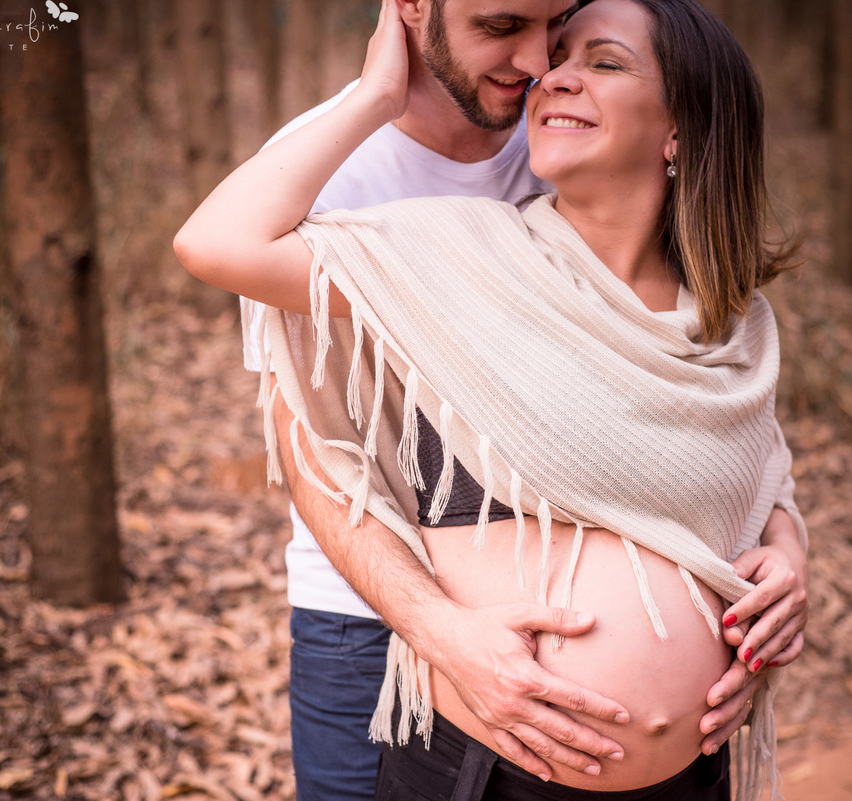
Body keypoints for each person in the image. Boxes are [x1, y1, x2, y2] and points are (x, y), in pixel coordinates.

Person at [191, 0, 809, 798]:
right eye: (504, 30)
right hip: (400, 655)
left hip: (688, 766)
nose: (542, 72)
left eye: (574, 47)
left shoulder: (729, 319)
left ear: (680, 132)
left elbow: (755, 464)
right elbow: (299, 413)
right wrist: (377, 94)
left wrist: (787, 555)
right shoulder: (453, 239)